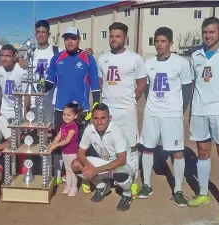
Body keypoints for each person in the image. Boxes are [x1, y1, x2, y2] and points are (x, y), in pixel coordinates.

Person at [137, 27, 193, 207]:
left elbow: (187, 89)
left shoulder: (182, 63)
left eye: (163, 41)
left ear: (170, 43)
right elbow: (146, 87)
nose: (159, 45)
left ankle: (177, 190)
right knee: (147, 149)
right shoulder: (148, 63)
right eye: (157, 41)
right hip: (152, 113)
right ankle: (146, 185)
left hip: (172, 115)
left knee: (177, 152)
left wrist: (180, 110)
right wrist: (152, 103)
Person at [187, 17, 219, 220]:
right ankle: (203, 193)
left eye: (212, 32)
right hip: (199, 111)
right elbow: (193, 85)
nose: (208, 36)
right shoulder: (195, 56)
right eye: (205, 32)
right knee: (202, 152)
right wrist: (190, 111)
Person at [45, 26, 100, 186]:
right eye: (67, 38)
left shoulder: (87, 58)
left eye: (73, 38)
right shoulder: (57, 57)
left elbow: (95, 83)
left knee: (82, 145)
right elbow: (50, 79)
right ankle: (58, 173)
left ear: (79, 39)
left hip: (81, 110)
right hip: (61, 109)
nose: (70, 41)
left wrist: (95, 103)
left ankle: (84, 177)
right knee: (59, 141)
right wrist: (41, 87)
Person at [97, 22, 147, 199]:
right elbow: (101, 83)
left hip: (126, 111)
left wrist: (131, 99)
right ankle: (107, 181)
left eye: (117, 36)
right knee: (108, 146)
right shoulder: (102, 58)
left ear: (125, 38)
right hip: (108, 111)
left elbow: (142, 84)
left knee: (131, 147)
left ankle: (132, 181)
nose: (113, 39)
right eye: (111, 36)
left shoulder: (135, 59)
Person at [71, 103, 135, 211]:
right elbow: (80, 152)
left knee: (119, 173)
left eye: (103, 118)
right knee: (75, 164)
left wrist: (95, 170)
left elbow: (121, 160)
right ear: (92, 119)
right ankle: (102, 186)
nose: (99, 122)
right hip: (104, 163)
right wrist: (89, 167)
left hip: (125, 166)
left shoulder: (116, 131)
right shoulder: (89, 130)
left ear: (109, 118)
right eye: (96, 118)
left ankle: (127, 194)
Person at [49, 102, 82, 196]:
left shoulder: (73, 126)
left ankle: (74, 187)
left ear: (75, 116)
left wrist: (56, 145)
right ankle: (68, 186)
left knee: (72, 170)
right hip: (65, 152)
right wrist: (53, 143)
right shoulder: (64, 125)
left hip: (72, 153)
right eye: (64, 114)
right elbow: (58, 135)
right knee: (67, 169)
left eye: (68, 115)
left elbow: (67, 140)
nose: (66, 117)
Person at [0, 44, 31, 122]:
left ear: (14, 56)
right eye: (2, 55)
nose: (4, 59)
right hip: (4, 109)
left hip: (20, 109)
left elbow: (27, 96)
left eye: (8, 56)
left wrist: (26, 117)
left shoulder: (22, 71)